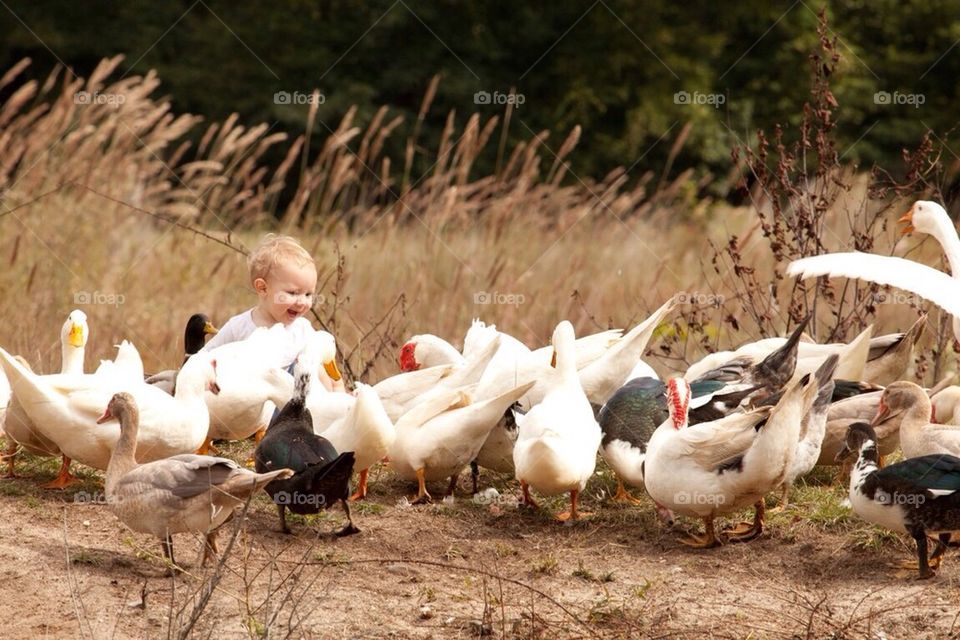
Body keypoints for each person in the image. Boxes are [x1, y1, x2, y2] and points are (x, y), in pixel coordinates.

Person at [203, 234, 344, 392]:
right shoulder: (239, 327)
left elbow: (331, 377)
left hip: (296, 407)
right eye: (293, 293)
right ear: (263, 288)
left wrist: (339, 399)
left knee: (316, 367)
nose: (302, 302)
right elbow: (204, 358)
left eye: (308, 294)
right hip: (251, 403)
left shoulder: (303, 330)